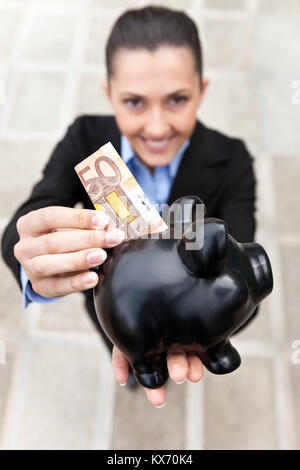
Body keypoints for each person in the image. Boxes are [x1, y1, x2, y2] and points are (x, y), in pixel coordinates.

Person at [1, 6, 256, 408]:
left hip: (191, 324)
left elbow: (240, 271)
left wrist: (208, 326)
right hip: (118, 316)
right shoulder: (83, 136)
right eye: (134, 102)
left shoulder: (233, 160)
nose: (156, 128)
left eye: (177, 99)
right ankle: (137, 373)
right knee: (130, 362)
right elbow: (22, 229)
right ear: (109, 94)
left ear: (202, 91)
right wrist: (35, 260)